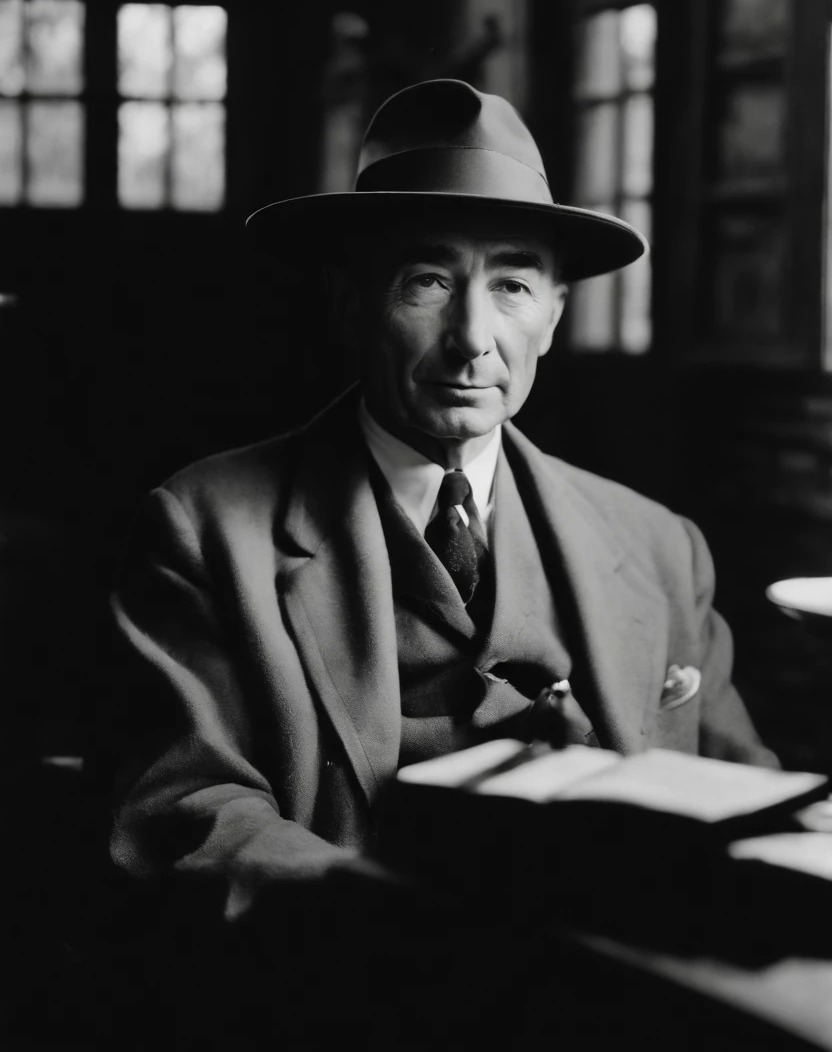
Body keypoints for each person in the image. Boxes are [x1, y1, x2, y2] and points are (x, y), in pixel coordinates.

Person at [106, 78, 777, 1043]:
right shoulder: (205, 529)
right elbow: (185, 814)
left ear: (552, 313)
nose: (473, 340)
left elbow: (744, 797)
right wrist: (422, 939)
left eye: (511, 284)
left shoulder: (660, 547)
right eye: (426, 281)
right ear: (348, 300)